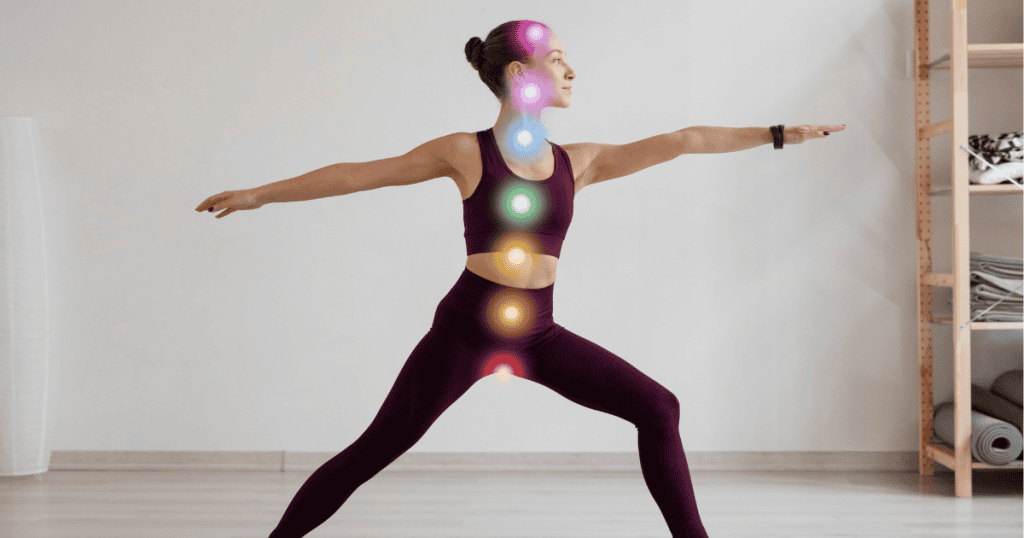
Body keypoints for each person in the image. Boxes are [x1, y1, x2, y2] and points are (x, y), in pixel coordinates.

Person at [198, 19, 724, 538]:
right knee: (374, 449)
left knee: (658, 408)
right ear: (521, 72)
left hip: (537, 334)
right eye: (558, 59)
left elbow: (685, 139)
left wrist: (777, 135)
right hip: (466, 331)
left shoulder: (576, 162)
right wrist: (257, 194)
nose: (572, 71)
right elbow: (359, 173)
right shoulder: (466, 151)